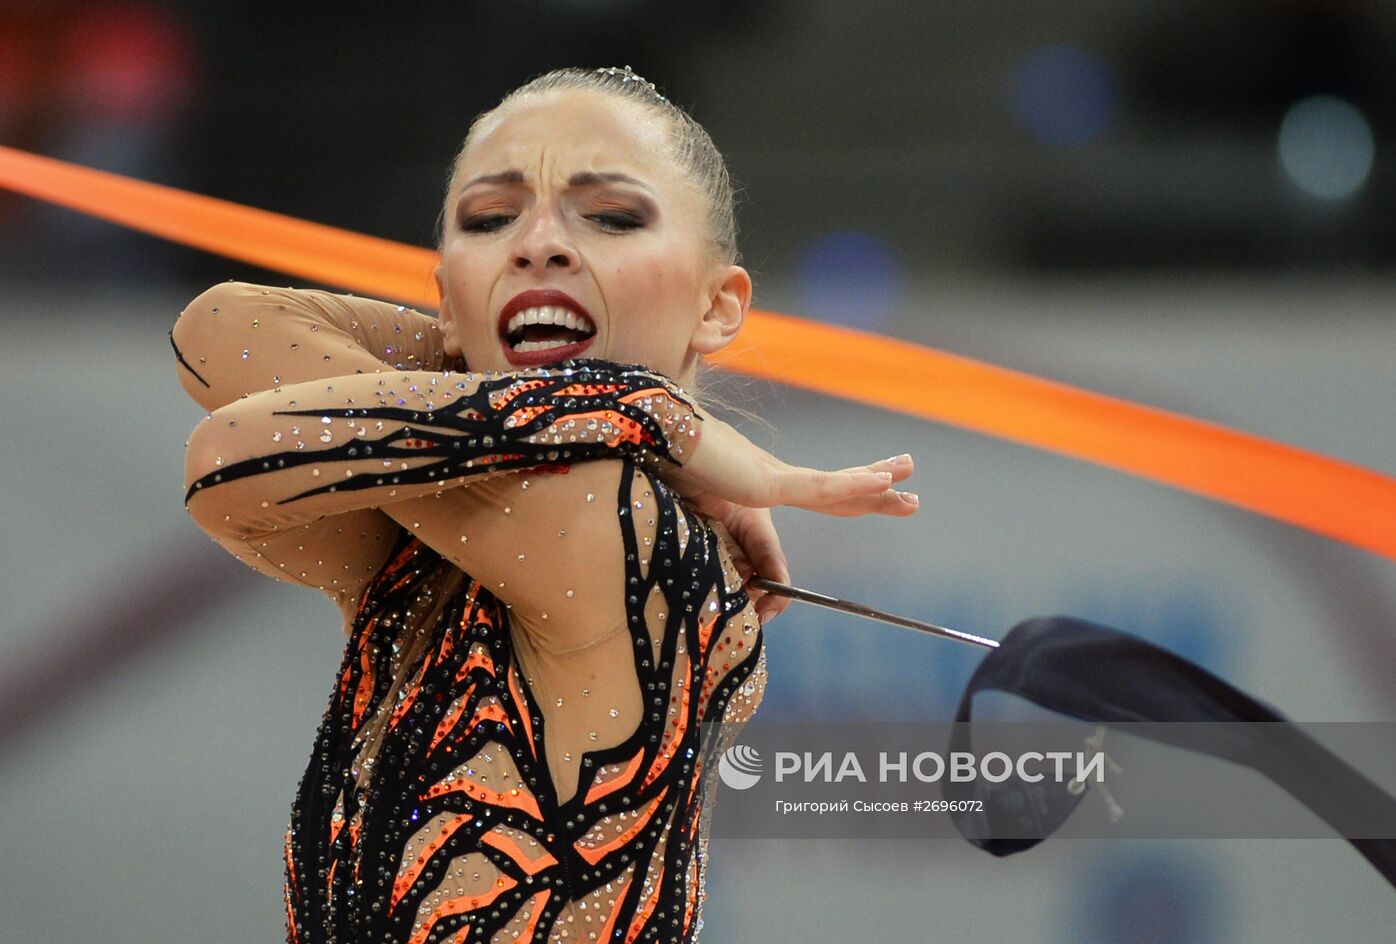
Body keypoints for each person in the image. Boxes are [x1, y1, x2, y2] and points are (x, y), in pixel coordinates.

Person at [173, 65, 920, 944]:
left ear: (718, 307)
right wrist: (668, 429)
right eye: (490, 221)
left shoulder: (614, 523)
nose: (538, 245)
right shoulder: (436, 530)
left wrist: (655, 423)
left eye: (609, 217)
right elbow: (218, 329)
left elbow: (224, 456)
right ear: (447, 299)